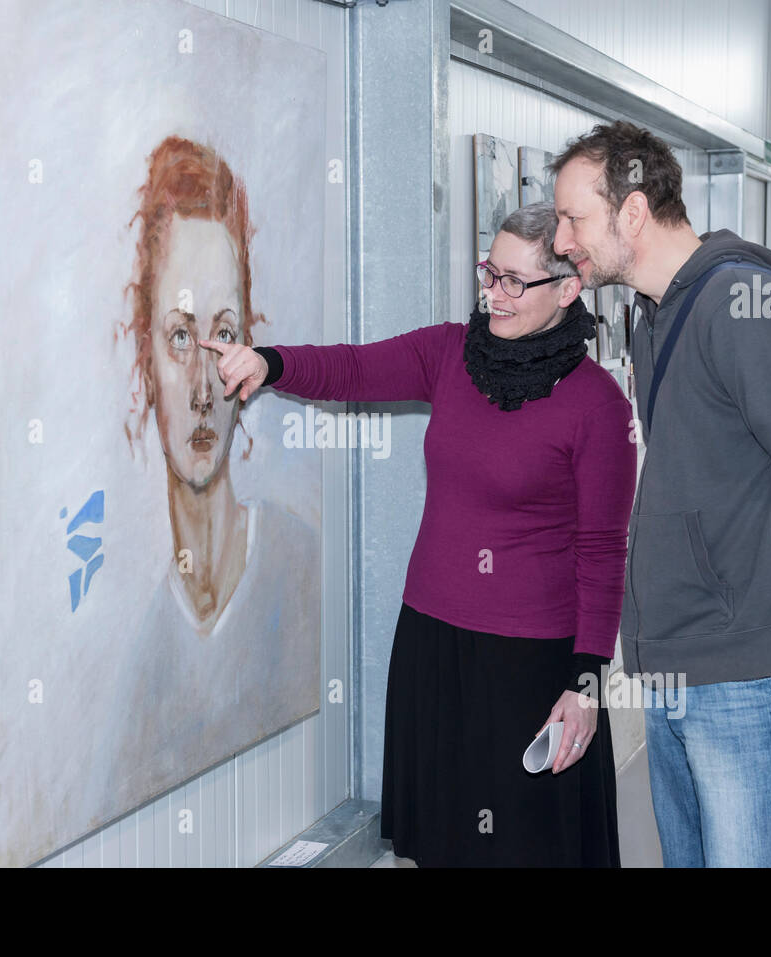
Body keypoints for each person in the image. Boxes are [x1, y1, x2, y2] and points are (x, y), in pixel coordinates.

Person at [201, 202, 638, 867]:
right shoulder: (449, 353)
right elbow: (353, 369)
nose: (494, 292)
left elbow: (604, 555)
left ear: (569, 289)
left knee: (524, 850)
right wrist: (267, 362)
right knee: (445, 846)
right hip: (432, 645)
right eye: (491, 272)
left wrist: (586, 684)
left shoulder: (596, 403)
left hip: (528, 667)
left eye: (515, 281)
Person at [551, 120, 771, 867]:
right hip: (680, 666)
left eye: (572, 218)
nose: (560, 240)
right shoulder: (657, 317)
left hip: (750, 677)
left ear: (633, 211)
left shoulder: (742, 302)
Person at [110, 134, 321, 816]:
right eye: (179, 336)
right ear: (144, 353)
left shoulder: (302, 567)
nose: (204, 387)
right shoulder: (140, 666)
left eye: (222, 335)